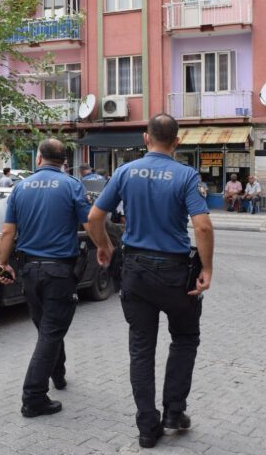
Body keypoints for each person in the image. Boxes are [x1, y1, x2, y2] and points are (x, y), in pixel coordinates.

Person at [87, 113, 214, 449]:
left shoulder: (125, 172)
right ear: (177, 142)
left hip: (136, 271)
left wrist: (104, 246)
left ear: (146, 138)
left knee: (141, 349)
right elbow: (202, 226)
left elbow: (94, 217)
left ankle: (147, 427)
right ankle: (174, 412)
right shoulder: (186, 175)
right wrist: (207, 268)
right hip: (176, 274)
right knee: (184, 339)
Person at [0, 138, 92, 419]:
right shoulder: (72, 185)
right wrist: (106, 248)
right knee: (51, 331)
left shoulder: (20, 187)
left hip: (29, 273)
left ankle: (58, 374)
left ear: (38, 158)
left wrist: (2, 265)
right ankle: (33, 398)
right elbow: (90, 223)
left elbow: (7, 233)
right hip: (59, 273)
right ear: (64, 161)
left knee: (48, 328)